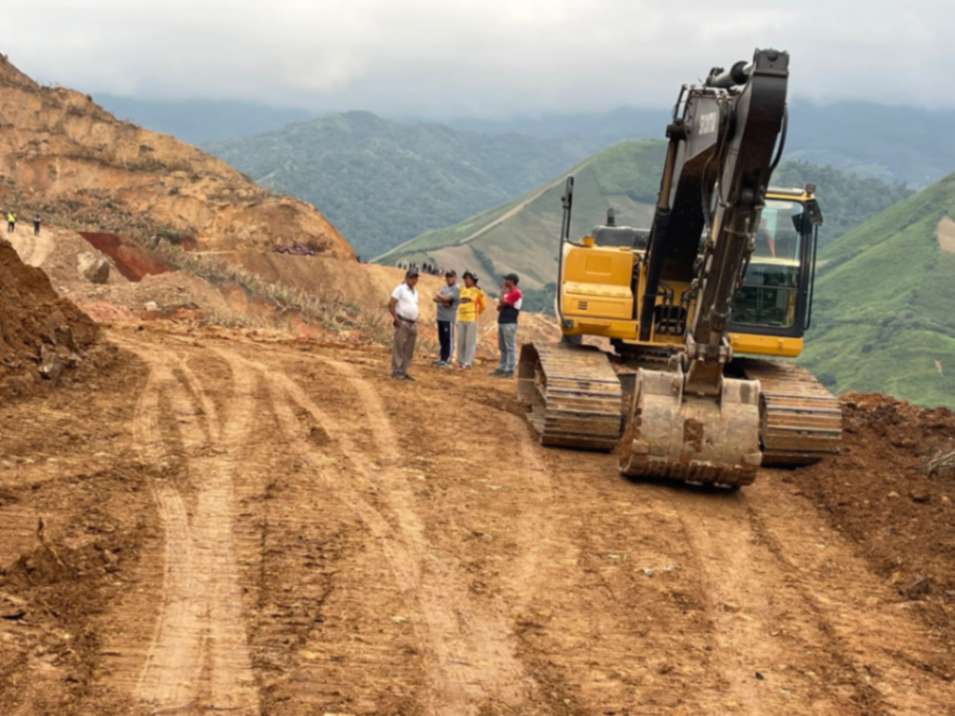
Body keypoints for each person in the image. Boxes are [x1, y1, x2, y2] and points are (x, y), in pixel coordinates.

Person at [388, 267, 420, 380]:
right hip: (402, 321)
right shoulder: (400, 289)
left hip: (413, 323)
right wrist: (396, 319)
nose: (413, 279)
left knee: (409, 348)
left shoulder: (416, 292)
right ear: (406, 278)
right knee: (399, 346)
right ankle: (396, 370)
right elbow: (391, 304)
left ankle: (404, 370)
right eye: (411, 277)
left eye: (415, 277)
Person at [493, 273, 523, 378]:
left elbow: (503, 302)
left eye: (507, 280)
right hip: (503, 321)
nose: (505, 282)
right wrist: (502, 301)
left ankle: (509, 369)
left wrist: (502, 293)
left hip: (509, 322)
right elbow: (500, 307)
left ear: (511, 281)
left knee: (509, 346)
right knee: (503, 346)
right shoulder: (509, 293)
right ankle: (502, 367)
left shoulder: (516, 293)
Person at [455, 271, 485, 369]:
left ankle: (468, 362)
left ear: (473, 280)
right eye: (465, 278)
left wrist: (476, 313)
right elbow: (459, 301)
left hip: (471, 318)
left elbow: (483, 306)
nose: (466, 280)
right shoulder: (461, 290)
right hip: (461, 317)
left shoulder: (478, 291)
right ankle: (460, 361)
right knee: (461, 341)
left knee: (470, 341)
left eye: (468, 278)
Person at [432, 269, 459, 367]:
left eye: (451, 276)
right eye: (447, 277)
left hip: (449, 318)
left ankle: (448, 359)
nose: (449, 278)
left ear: (455, 277)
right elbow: (435, 298)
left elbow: (447, 300)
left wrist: (441, 297)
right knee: (442, 339)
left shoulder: (456, 289)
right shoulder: (445, 288)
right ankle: (442, 358)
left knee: (448, 339)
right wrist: (443, 299)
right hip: (440, 317)